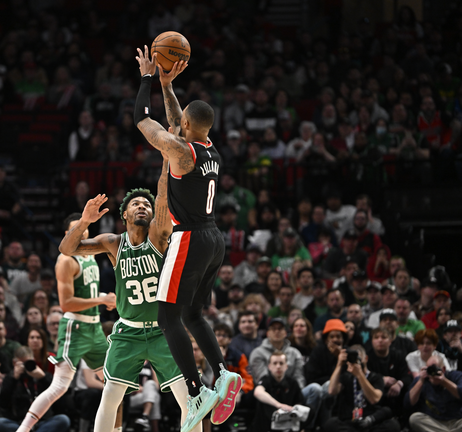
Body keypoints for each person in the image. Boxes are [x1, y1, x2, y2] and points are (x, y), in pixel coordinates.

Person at [134, 47, 244, 432]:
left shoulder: (180, 151)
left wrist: (148, 79)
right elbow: (177, 122)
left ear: (186, 124)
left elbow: (142, 121)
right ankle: (222, 372)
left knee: (167, 317)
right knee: (193, 315)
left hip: (189, 239)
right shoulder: (210, 149)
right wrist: (167, 87)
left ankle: (197, 391)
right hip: (215, 238)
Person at [57, 162, 203, 432]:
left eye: (146, 206)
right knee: (110, 396)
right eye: (136, 204)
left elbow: (162, 194)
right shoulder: (113, 242)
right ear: (124, 214)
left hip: (164, 330)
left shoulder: (159, 235)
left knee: (189, 399)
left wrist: (165, 157)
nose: (142, 207)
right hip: (128, 332)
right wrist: (85, 221)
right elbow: (67, 249)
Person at [12, 213, 116, 432]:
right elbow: (66, 303)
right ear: (67, 234)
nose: (81, 231)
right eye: (75, 228)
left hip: (95, 327)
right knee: (59, 386)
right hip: (75, 327)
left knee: (114, 383)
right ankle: (23, 429)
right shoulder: (66, 259)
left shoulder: (91, 253)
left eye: (84, 226)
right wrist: (101, 299)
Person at [323, 345, 400, 432]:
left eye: (358, 358)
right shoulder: (346, 377)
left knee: (393, 425)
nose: (356, 361)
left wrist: (359, 375)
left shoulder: (376, 377)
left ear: (366, 358)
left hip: (370, 421)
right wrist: (339, 364)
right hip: (349, 423)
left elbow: (374, 399)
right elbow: (332, 390)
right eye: (352, 359)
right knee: (330, 424)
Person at [0, 346, 71, 432]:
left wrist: (44, 378)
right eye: (22, 364)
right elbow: (2, 403)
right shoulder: (10, 379)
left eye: (28, 362)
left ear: (33, 361)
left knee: (63, 419)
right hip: (19, 422)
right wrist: (13, 379)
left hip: (42, 421)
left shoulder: (42, 376)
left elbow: (61, 395)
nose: (25, 367)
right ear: (14, 363)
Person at [405, 356, 462, 432]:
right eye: (429, 368)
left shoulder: (456, 376)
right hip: (433, 422)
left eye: (434, 368)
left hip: (457, 422)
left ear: (443, 369)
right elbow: (408, 403)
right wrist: (420, 381)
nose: (432, 372)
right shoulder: (422, 379)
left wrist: (444, 381)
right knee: (414, 418)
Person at [252, 350, 309, 432]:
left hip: (288, 421)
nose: (278, 366)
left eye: (281, 363)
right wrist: (279, 405)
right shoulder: (266, 380)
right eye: (275, 363)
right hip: (268, 424)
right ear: (269, 366)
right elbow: (258, 392)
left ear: (286, 366)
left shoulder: (292, 382)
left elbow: (299, 402)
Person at [365, 328, 411, 418]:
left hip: (397, 394)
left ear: (390, 341)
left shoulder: (399, 355)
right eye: (376, 337)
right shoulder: (367, 358)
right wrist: (380, 379)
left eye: (383, 337)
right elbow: (363, 376)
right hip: (375, 394)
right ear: (372, 341)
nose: (380, 340)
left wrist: (399, 384)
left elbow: (407, 376)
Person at [248, 318, 306, 387]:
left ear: (285, 333)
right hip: (267, 393)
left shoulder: (295, 353)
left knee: (314, 388)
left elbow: (299, 378)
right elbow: (262, 379)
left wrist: (294, 394)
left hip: (292, 392)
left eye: (280, 328)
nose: (277, 331)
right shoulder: (258, 353)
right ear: (268, 333)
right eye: (273, 329)